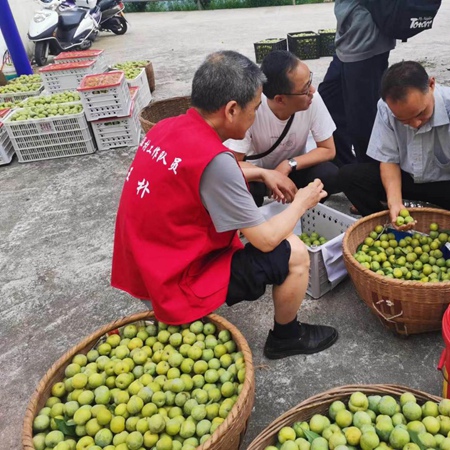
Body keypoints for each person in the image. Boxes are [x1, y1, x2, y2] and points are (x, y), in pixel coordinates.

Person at [111, 51, 338, 360]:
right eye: (256, 108)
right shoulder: (216, 161)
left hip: (143, 267)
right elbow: (267, 239)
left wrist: (260, 171)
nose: (257, 116)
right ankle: (287, 337)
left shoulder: (166, 128)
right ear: (231, 110)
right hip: (174, 281)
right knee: (295, 252)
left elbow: (207, 172)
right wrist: (301, 202)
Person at [339, 61, 450, 280]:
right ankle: (386, 225)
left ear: (431, 84)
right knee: (349, 177)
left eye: (421, 114)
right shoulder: (386, 108)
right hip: (408, 177)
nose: (414, 124)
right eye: (404, 120)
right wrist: (395, 203)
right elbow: (389, 160)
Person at [226, 50, 339, 207]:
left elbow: (328, 149)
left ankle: (304, 213)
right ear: (280, 99)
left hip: (293, 171)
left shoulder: (312, 99)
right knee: (237, 188)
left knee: (328, 174)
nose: (312, 90)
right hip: (259, 176)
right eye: (305, 88)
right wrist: (267, 175)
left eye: (310, 81)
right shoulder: (251, 108)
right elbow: (231, 164)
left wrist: (289, 164)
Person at [318, 0, 396, 166]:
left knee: (362, 119)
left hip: (365, 39)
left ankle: (370, 174)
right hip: (348, 39)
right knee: (328, 101)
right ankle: (348, 167)